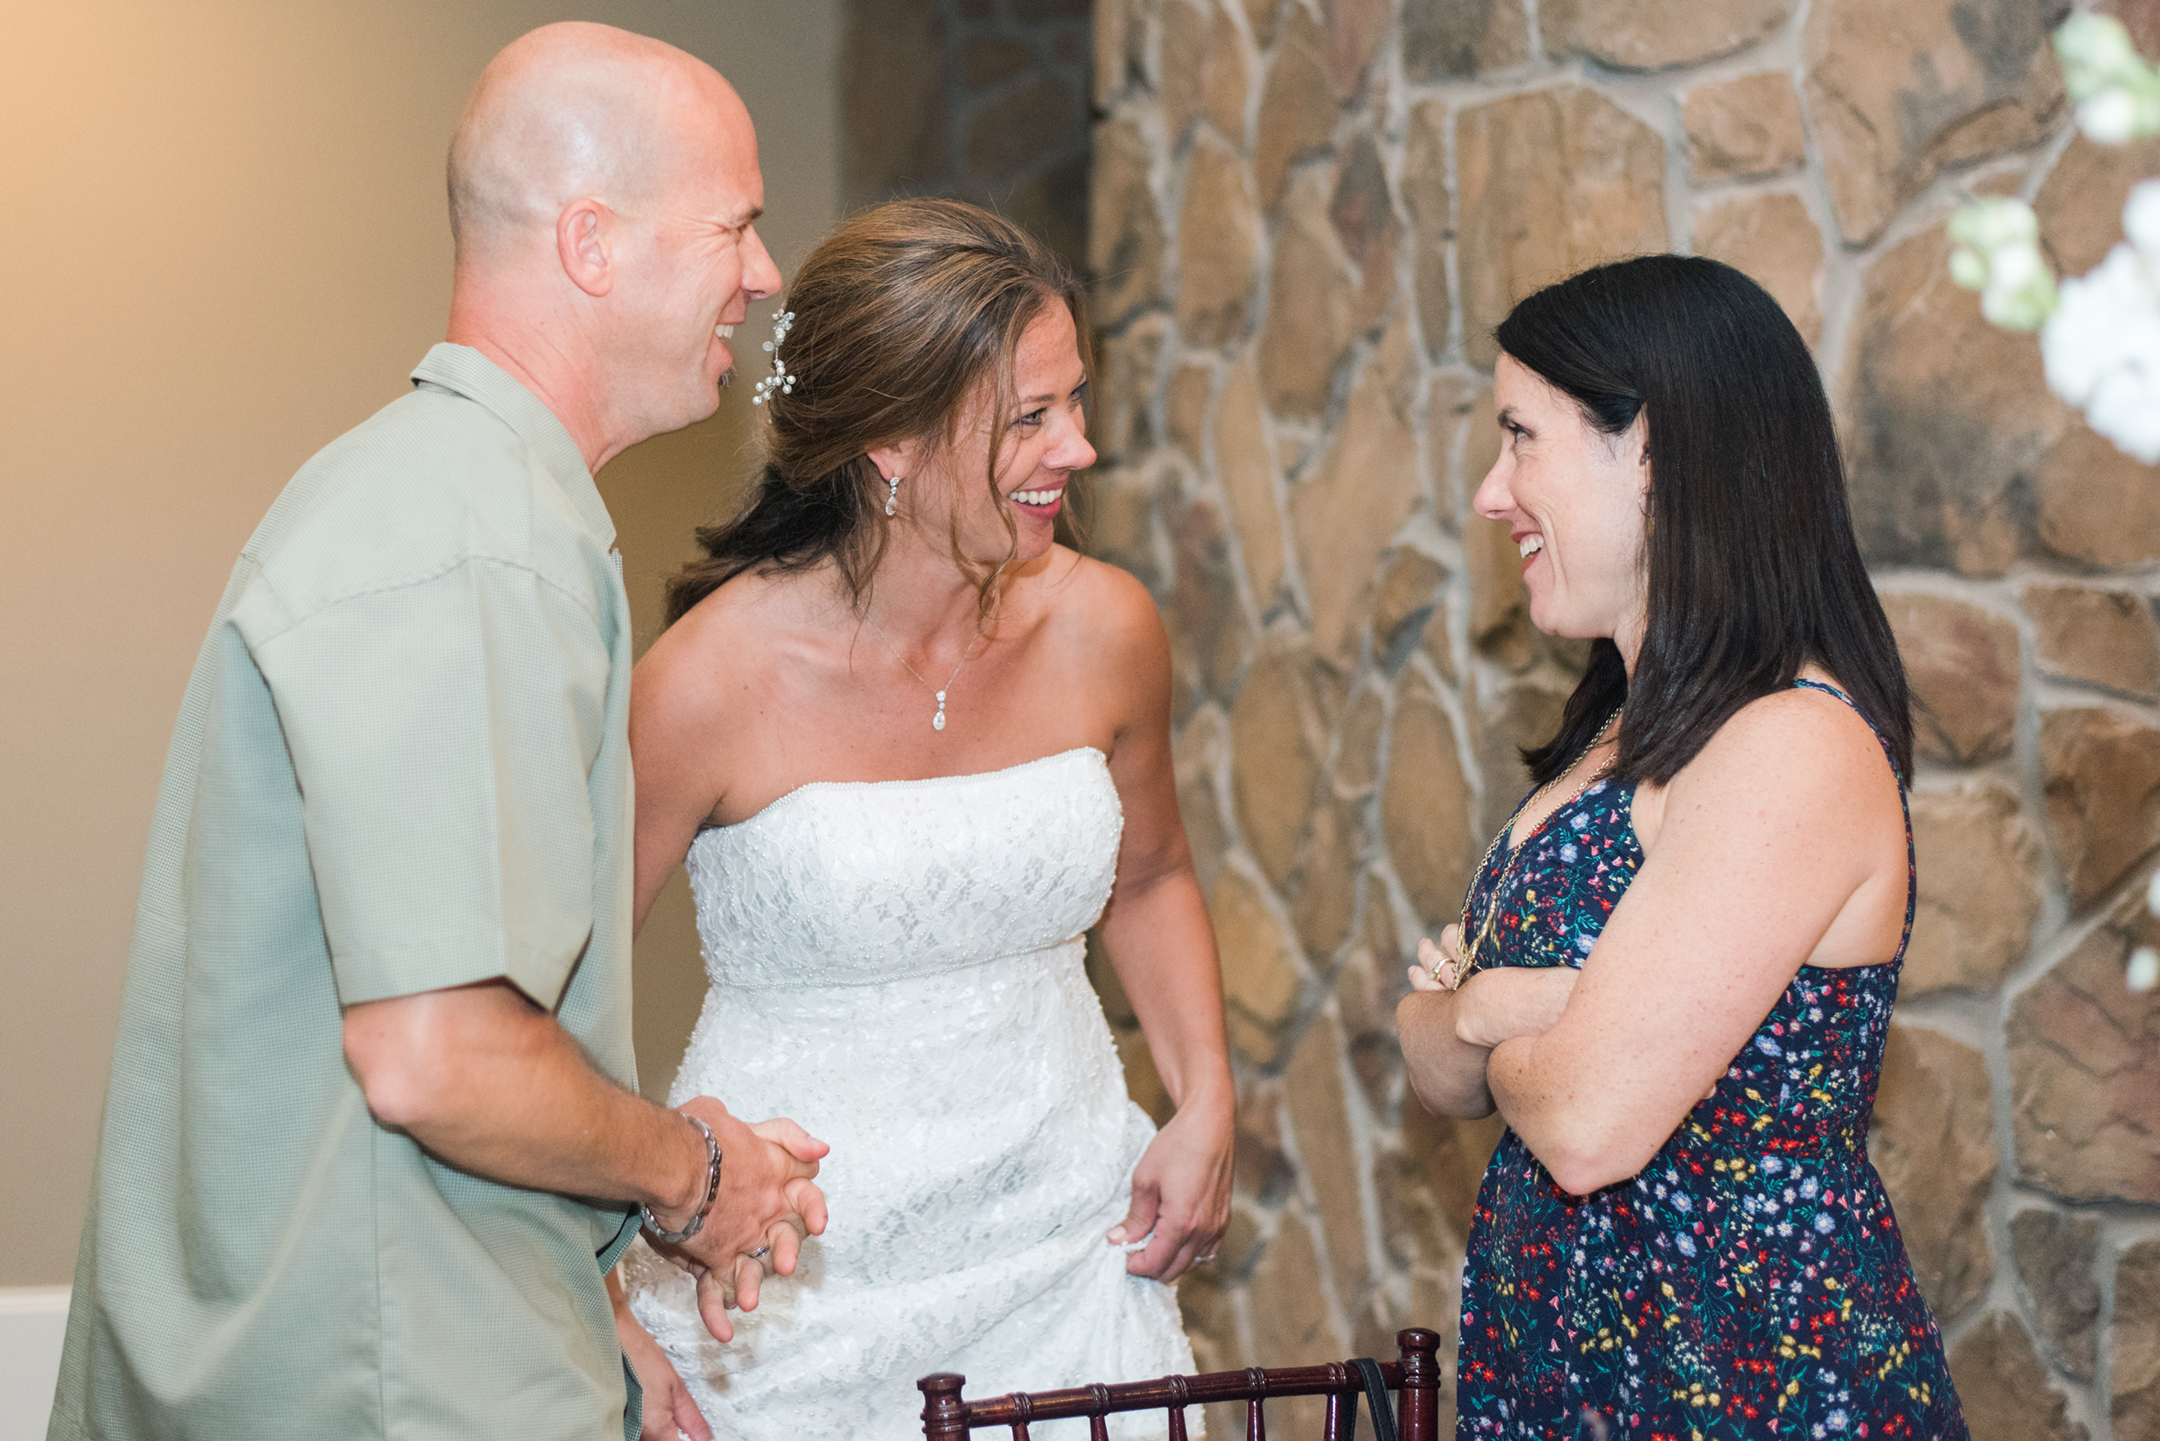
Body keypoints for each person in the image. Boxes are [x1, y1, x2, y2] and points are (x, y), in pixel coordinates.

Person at [47, 25, 827, 1441]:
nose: (764, 273)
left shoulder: (436, 502)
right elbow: (440, 1055)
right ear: (591, 242)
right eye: (737, 225)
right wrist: (693, 1173)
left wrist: (587, 1304)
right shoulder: (478, 547)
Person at [613, 197, 1235, 1440]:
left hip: (1068, 1261)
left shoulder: (1107, 627)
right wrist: (604, 1292)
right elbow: (545, 1008)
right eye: (1030, 418)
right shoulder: (704, 683)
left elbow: (1154, 873)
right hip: (783, 1295)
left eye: (1077, 402)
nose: (1080, 448)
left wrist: (1205, 1094)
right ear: (891, 443)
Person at [1395, 256, 1968, 1438]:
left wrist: (1485, 1005)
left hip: (1748, 1383)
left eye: (1522, 437)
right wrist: (1504, 1008)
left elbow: (1583, 1123)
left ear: (1649, 451)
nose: (1493, 494)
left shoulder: (1792, 744)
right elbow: (1432, 1065)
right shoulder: (1613, 730)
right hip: (1584, 1380)